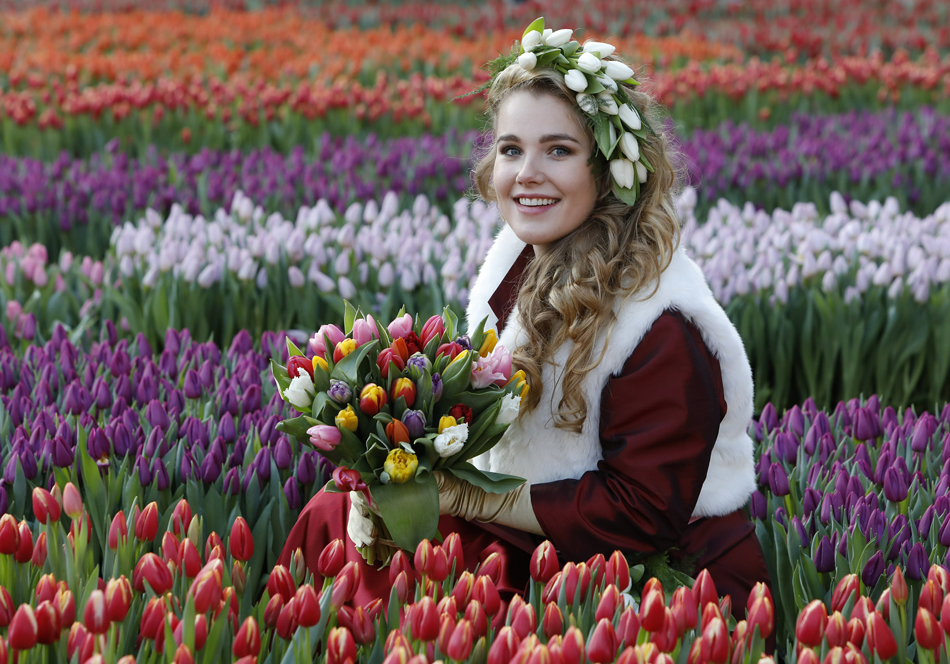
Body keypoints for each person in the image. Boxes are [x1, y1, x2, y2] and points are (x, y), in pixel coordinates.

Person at [279, 24, 770, 620]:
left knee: (415, 584)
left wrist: (463, 498)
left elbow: (639, 515)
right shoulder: (517, 265)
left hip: (651, 575)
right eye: (512, 148)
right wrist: (385, 488)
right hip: (538, 532)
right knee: (337, 512)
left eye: (558, 150)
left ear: (612, 169)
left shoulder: (660, 324)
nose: (526, 173)